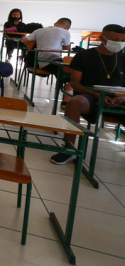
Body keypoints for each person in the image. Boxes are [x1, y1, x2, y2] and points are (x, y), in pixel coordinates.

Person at [50, 24, 125, 165]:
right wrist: (97, 95)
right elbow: (75, 83)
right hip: (90, 96)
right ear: (103, 38)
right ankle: (69, 149)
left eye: (122, 40)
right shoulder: (85, 55)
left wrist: (122, 97)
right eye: (115, 39)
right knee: (74, 102)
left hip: (119, 99)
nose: (119, 43)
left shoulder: (123, 58)